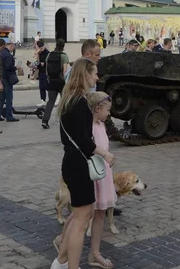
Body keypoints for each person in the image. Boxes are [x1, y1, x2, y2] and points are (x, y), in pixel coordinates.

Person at [51, 58, 114, 269]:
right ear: (85, 74)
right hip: (79, 165)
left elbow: (66, 137)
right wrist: (104, 153)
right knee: (81, 221)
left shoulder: (69, 99)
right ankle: (71, 266)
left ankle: (61, 262)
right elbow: (85, 142)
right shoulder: (80, 103)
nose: (97, 77)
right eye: (94, 73)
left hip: (70, 162)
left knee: (79, 216)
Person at [87, 91, 116, 269]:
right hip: (93, 174)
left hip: (103, 174)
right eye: (107, 110)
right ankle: (62, 239)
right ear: (97, 109)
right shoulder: (89, 127)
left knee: (100, 213)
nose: (109, 113)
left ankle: (94, 253)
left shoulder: (100, 124)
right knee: (82, 214)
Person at [42, 39, 69, 129]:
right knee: (65, 101)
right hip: (61, 82)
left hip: (52, 81)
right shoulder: (64, 56)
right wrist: (66, 82)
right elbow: (65, 71)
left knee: (50, 102)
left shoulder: (49, 55)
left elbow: (46, 69)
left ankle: (45, 121)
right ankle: (66, 121)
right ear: (63, 46)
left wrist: (49, 79)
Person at [0, 42, 19, 123]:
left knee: (1, 99)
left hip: (1, 78)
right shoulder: (8, 55)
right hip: (7, 79)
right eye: (13, 48)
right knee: (9, 98)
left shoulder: (0, 53)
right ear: (11, 46)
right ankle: (9, 116)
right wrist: (16, 67)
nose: (13, 50)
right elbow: (8, 67)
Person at [37, 40, 50, 104]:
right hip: (40, 71)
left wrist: (44, 63)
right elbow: (37, 62)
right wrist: (37, 54)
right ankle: (43, 100)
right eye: (39, 48)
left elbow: (48, 62)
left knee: (46, 86)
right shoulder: (39, 53)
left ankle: (53, 98)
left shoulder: (47, 53)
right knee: (41, 87)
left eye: (41, 48)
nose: (40, 49)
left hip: (46, 72)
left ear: (44, 46)